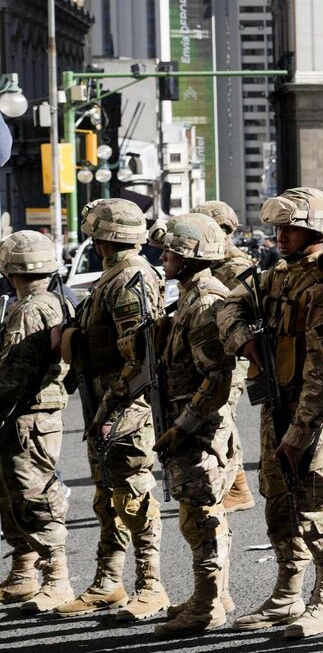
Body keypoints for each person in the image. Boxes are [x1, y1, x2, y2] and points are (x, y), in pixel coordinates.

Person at [217, 188, 323, 639]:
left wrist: (300, 431)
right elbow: (229, 305)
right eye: (277, 228)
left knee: (318, 503)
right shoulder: (277, 275)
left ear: (313, 229)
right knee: (279, 502)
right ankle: (286, 594)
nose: (279, 236)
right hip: (276, 403)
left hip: (312, 412)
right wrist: (244, 338)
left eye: (288, 228)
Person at [54, 199, 168, 622]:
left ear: (102, 236)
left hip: (123, 405)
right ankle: (108, 582)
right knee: (108, 497)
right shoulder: (112, 276)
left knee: (134, 497)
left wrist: (112, 406)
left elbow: (140, 355)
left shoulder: (131, 278)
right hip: (102, 402)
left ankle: (151, 586)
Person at [148, 214, 243, 637]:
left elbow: (218, 376)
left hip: (200, 429)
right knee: (198, 514)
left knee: (202, 516)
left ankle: (207, 606)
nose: (165, 256)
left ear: (191, 257)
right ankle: (213, 594)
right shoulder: (190, 294)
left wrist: (183, 426)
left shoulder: (205, 302)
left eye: (173, 251)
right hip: (192, 425)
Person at [0, 231, 73, 614]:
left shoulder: (30, 309)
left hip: (27, 416)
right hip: (30, 414)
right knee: (13, 496)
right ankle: (24, 573)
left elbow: (14, 375)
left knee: (34, 498)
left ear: (11, 268)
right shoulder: (51, 301)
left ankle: (57, 579)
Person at [190, 201, 258, 514]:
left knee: (223, 418)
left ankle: (237, 486)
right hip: (220, 351)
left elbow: (252, 309)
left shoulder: (233, 265)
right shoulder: (215, 261)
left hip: (235, 354)